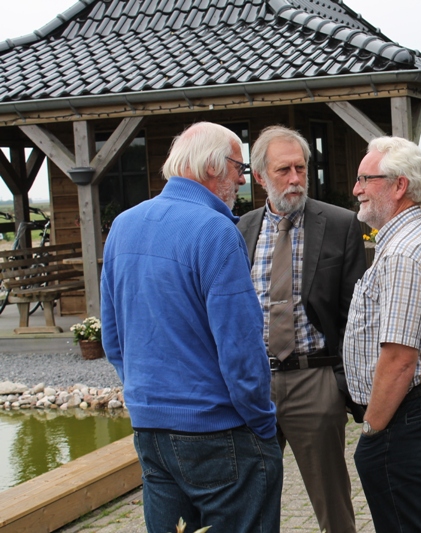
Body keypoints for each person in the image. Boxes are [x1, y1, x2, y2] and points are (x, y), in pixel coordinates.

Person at [101, 122, 282, 533]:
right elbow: (241, 349)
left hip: (150, 430)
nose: (242, 179)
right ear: (212, 166)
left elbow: (112, 338)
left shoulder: (123, 225)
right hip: (218, 430)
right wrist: (262, 423)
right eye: (238, 167)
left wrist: (150, 398)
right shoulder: (216, 231)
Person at [237, 125, 366, 533]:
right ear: (261, 177)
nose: (295, 179)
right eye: (283, 170)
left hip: (315, 380)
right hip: (255, 385)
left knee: (333, 505)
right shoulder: (239, 230)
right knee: (251, 502)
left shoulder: (340, 224)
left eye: (301, 168)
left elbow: (356, 314)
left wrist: (339, 386)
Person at [343, 136, 421, 532]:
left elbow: (399, 359)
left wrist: (372, 429)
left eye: (366, 179)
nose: (356, 189)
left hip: (408, 412)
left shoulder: (403, 253)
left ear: (399, 186)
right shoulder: (418, 239)